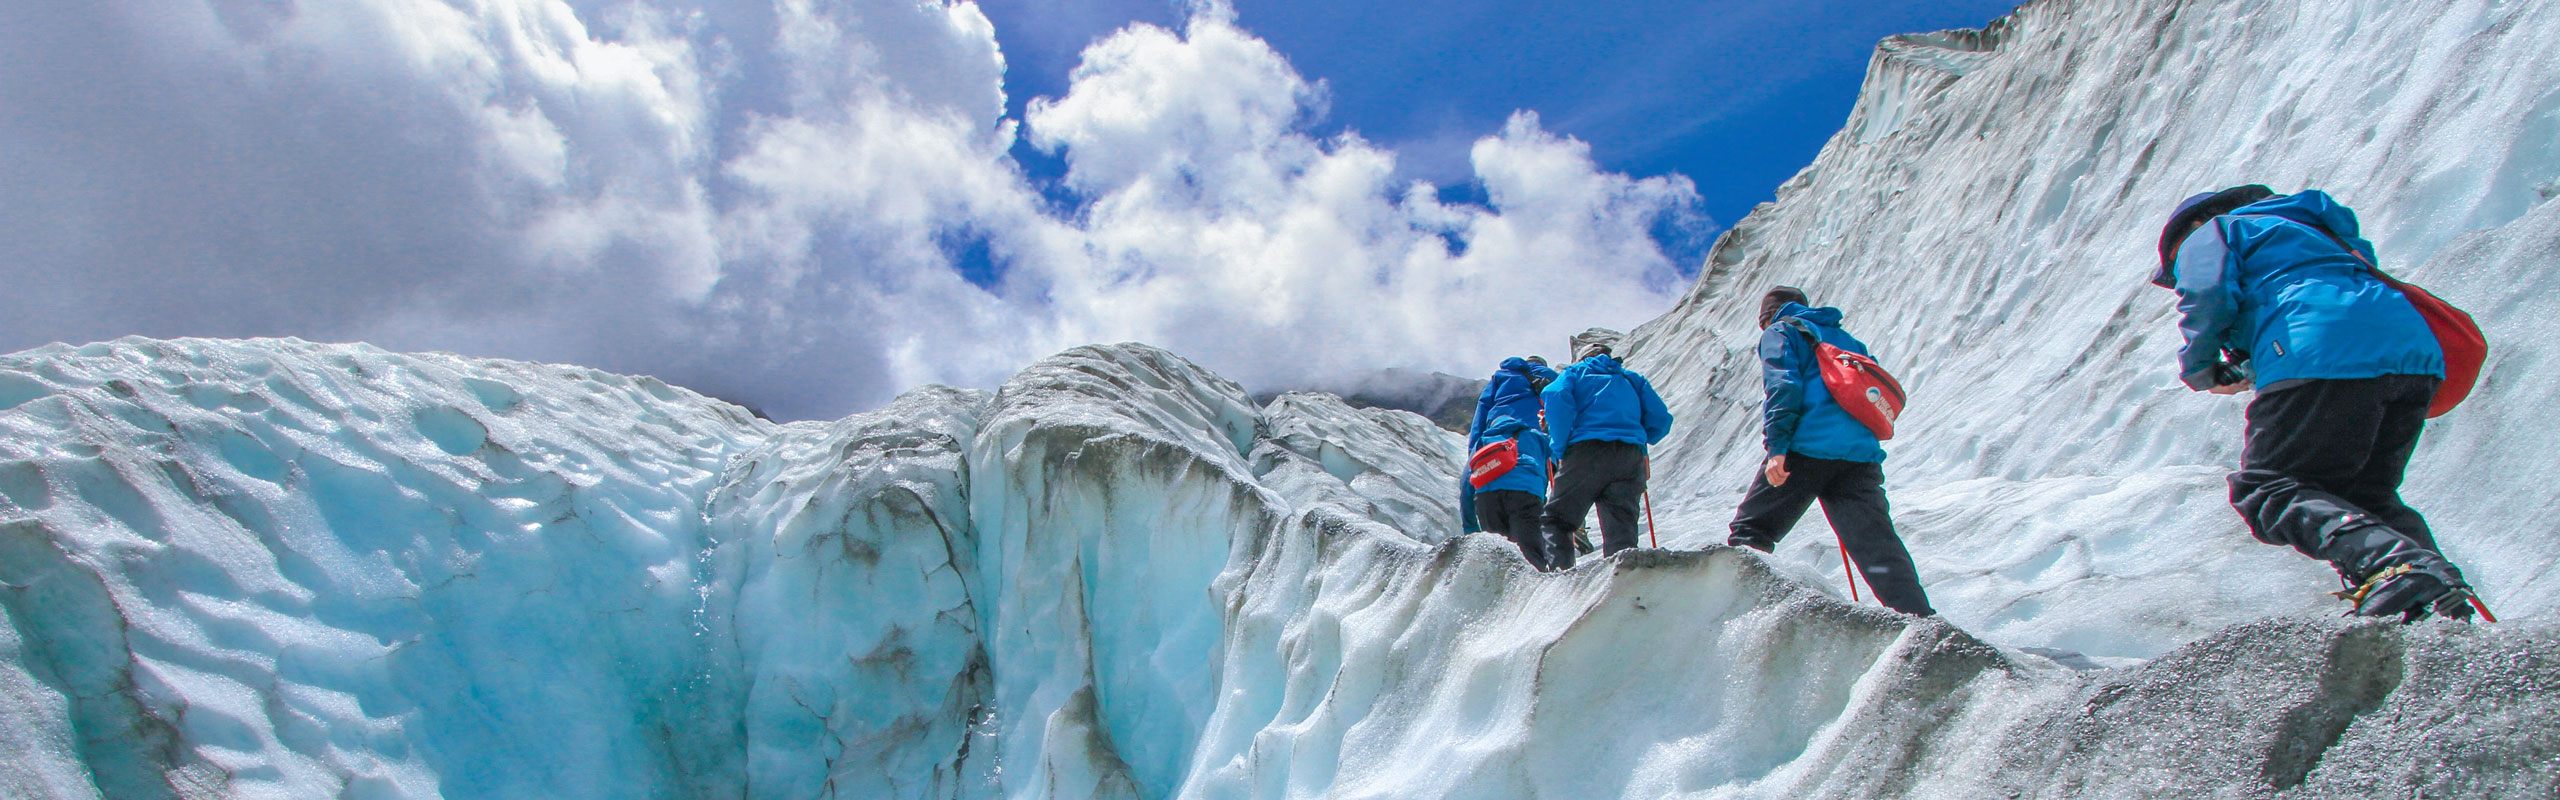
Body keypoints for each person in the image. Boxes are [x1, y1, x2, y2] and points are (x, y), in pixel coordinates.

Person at [2154, 185, 2478, 621]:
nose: (2179, 272)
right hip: (2412, 353)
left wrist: (2201, 368)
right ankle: (2437, 598)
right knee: (2364, 494)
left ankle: (2395, 570)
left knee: (2267, 488)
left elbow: (2207, 295)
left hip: (2321, 347)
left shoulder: (2214, 230)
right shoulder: (2315, 229)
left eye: (2176, 265)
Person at [1726, 287, 1935, 617]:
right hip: (1859, 457)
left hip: (1806, 449)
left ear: (1766, 318)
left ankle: (1731, 615)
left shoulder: (1780, 332)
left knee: (1751, 534)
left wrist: (1778, 449)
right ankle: (1920, 621)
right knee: (1877, 547)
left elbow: (1783, 387)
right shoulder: (1846, 339)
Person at [1539, 340, 1672, 568]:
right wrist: (1642, 437)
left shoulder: (1575, 373)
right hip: (1630, 456)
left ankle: (1560, 581)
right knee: (1621, 532)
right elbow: (1661, 418)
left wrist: (1560, 447)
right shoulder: (1632, 379)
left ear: (1583, 357)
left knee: (1557, 521)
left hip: (1585, 451)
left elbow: (1555, 396)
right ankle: (1621, 586)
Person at [1462, 357, 1560, 568]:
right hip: (1534, 439)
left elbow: (1482, 410)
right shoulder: (1550, 377)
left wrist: (1476, 448)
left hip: (1493, 448)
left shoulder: (1500, 377)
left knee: (1498, 559)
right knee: (1530, 550)